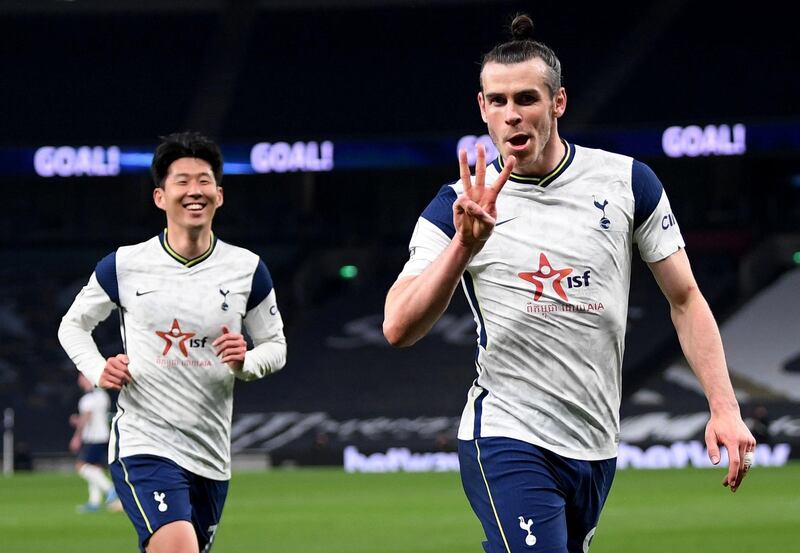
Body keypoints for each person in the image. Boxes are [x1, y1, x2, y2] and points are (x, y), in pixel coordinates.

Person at [383, 15, 755, 553]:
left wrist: (724, 407)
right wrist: (465, 245)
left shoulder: (628, 183)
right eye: (499, 101)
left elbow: (685, 297)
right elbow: (397, 326)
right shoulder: (456, 206)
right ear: (483, 108)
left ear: (557, 104)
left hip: (594, 445)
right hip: (506, 435)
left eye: (527, 99)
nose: (513, 114)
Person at [58, 131, 287, 553]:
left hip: (211, 456)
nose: (193, 190)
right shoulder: (125, 265)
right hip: (145, 444)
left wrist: (247, 361)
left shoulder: (248, 269)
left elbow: (276, 345)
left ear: (219, 194)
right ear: (160, 197)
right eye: (181, 181)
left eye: (203, 181)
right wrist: (97, 370)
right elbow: (72, 326)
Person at [69, 372, 122, 513]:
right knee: (95, 469)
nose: (79, 379)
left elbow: (87, 418)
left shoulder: (88, 399)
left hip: (92, 437)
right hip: (104, 436)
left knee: (81, 466)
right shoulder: (102, 395)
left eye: (82, 376)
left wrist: (77, 436)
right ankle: (94, 502)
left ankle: (110, 489)